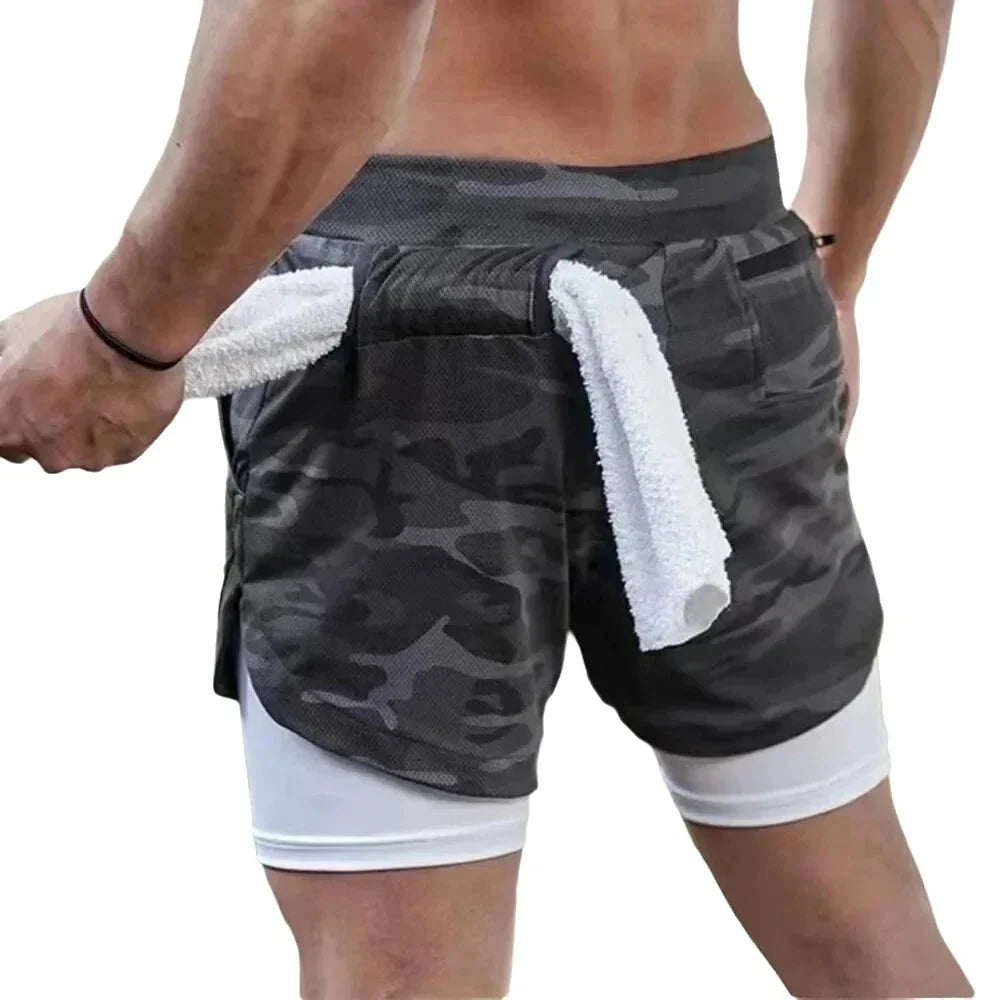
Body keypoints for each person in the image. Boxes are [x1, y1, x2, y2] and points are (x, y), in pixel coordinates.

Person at [0, 1, 973, 997]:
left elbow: (326, 11)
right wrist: (834, 265)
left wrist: (121, 338)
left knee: (401, 976)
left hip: (413, 320)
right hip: (727, 278)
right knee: (867, 938)